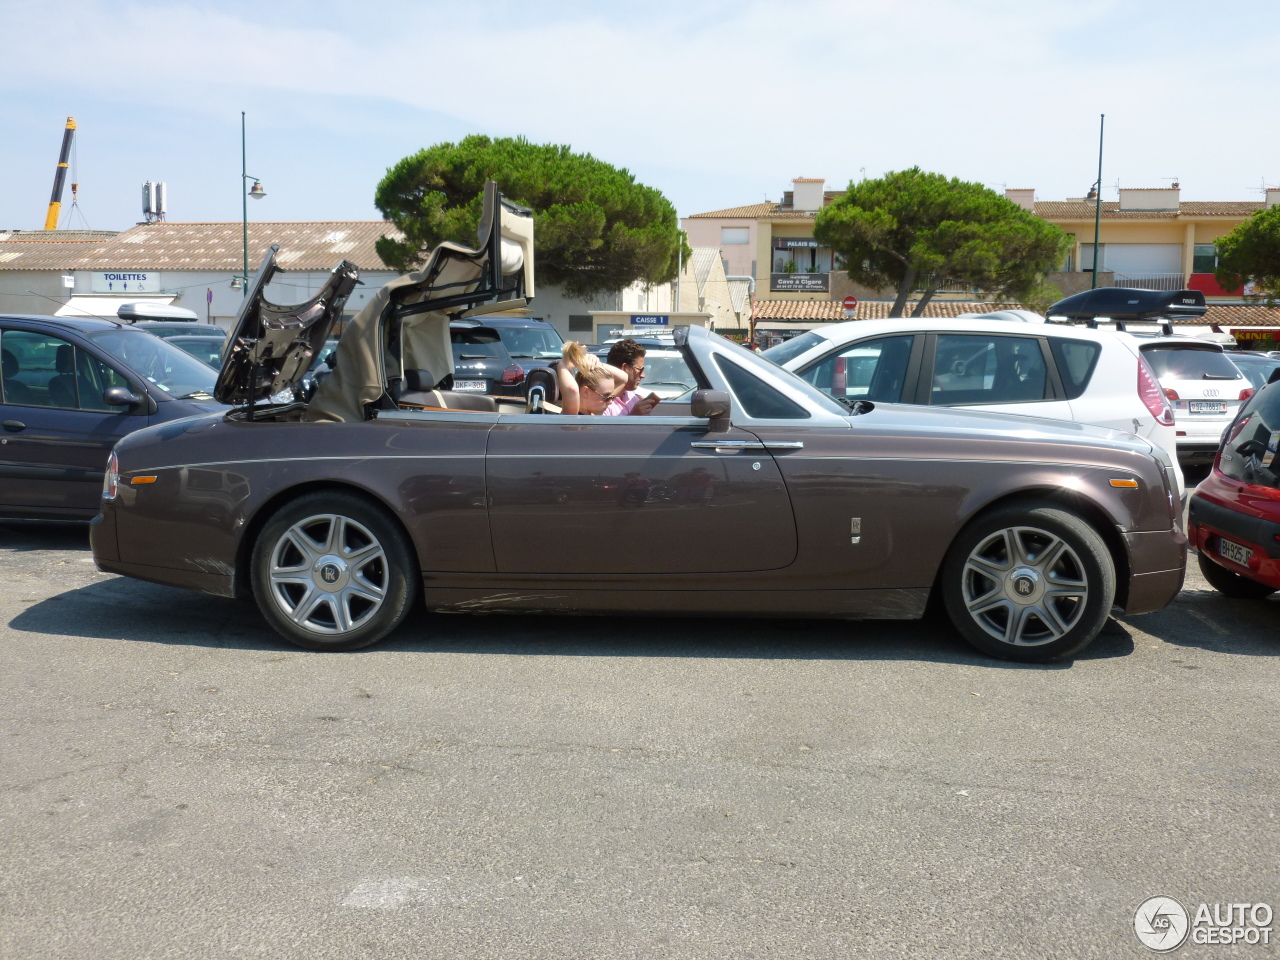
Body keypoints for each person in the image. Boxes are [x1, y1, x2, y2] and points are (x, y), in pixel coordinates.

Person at [556, 342, 628, 415]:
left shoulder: (594, 412)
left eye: (611, 396)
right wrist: (563, 363)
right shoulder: (573, 416)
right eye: (606, 396)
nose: (610, 402)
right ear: (585, 392)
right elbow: (572, 389)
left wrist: (597, 364)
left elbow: (624, 378)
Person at [601, 338, 660, 417]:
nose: (643, 375)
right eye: (639, 369)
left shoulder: (633, 398)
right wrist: (633, 416)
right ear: (625, 367)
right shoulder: (602, 402)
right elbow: (602, 429)